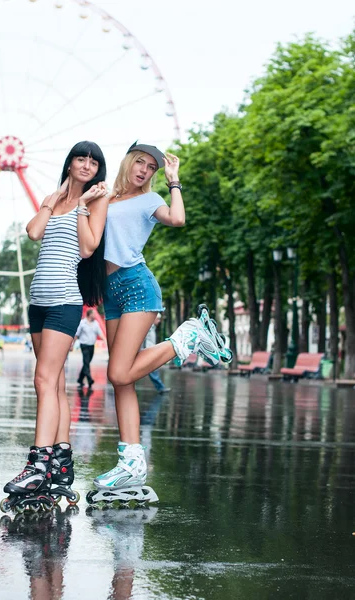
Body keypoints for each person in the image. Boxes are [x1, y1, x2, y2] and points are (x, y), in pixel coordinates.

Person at [87, 142, 229, 506]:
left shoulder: (150, 201)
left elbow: (178, 219)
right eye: (140, 163)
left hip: (136, 287)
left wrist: (174, 181)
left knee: (119, 373)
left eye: (151, 167)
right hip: (110, 292)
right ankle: (131, 464)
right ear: (128, 162)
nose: (144, 170)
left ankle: (188, 336)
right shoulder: (107, 197)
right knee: (124, 380)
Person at [1, 141, 109, 513]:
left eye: (93, 162)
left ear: (98, 170)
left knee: (43, 380)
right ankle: (61, 459)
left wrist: (80, 207)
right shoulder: (52, 197)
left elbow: (89, 247)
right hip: (38, 302)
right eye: (81, 158)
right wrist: (53, 200)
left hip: (65, 300)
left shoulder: (97, 201)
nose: (87, 165)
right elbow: (33, 232)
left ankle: (38, 463)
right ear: (70, 162)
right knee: (56, 383)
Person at [74, 308, 106, 387]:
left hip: (92, 345)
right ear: (89, 314)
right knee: (86, 361)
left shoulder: (96, 323)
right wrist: (72, 344)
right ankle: (90, 379)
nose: (95, 315)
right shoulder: (82, 323)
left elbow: (100, 333)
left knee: (87, 362)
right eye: (93, 314)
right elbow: (77, 334)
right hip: (84, 344)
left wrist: (105, 340)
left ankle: (80, 379)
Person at [143, 313, 170, 393]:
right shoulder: (148, 327)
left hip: (150, 351)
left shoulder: (153, 328)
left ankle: (161, 387)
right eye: (158, 319)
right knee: (152, 370)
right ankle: (161, 387)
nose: (159, 321)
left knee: (152, 370)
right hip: (148, 352)